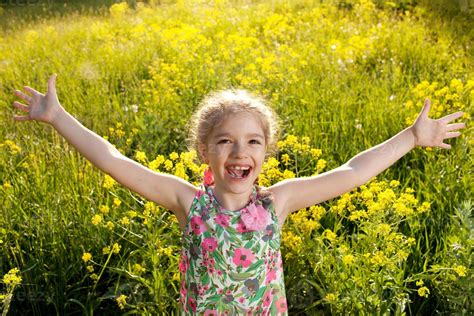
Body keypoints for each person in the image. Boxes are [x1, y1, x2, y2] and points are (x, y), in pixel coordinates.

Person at [12, 74, 466, 315]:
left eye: (252, 141)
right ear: (204, 150)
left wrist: (410, 136)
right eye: (225, 140)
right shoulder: (188, 203)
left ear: (266, 151)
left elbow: (352, 172)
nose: (239, 151)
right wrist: (58, 117)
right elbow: (112, 159)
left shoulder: (278, 202)